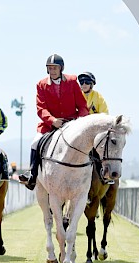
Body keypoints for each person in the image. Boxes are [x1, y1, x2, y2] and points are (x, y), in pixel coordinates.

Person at [19, 54, 89, 190]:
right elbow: (41, 108)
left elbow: (82, 106)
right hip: (49, 125)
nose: (52, 71)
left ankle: (92, 179)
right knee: (35, 143)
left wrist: (77, 123)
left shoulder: (72, 81)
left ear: (61, 68)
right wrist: (53, 121)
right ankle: (32, 175)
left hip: (72, 123)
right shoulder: (41, 85)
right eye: (50, 68)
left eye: (55, 68)